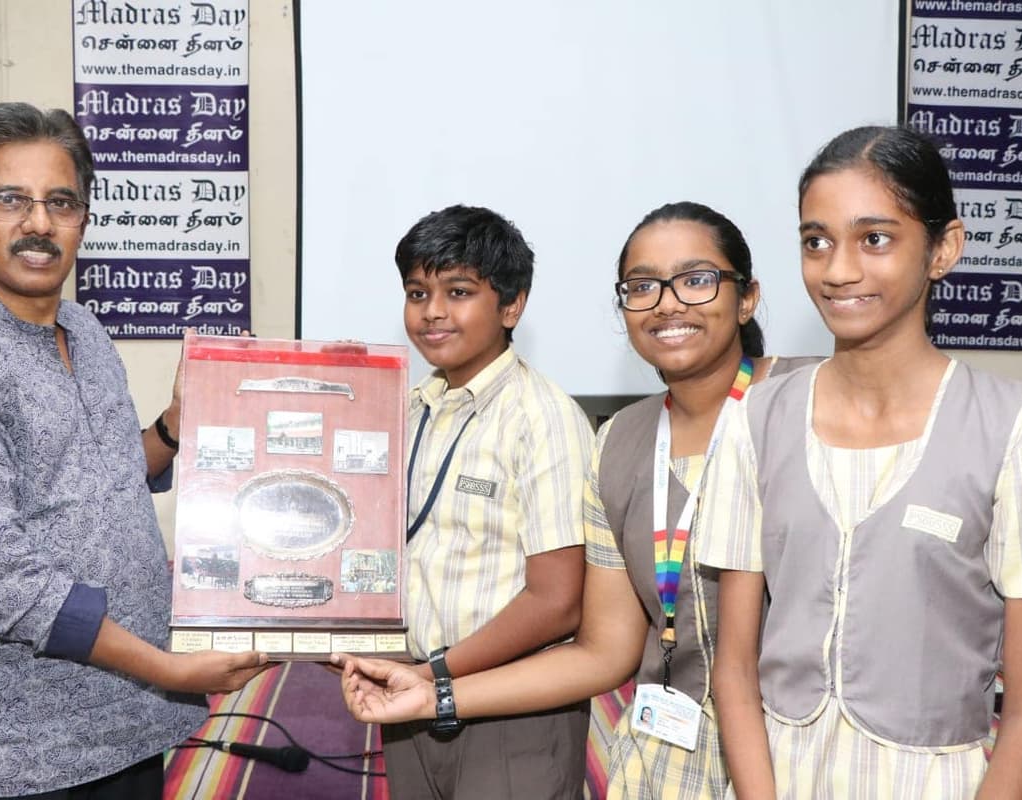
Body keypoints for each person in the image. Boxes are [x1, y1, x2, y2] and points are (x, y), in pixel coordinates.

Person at [335, 201, 816, 799]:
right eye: (643, 286)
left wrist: (435, 674)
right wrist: (432, 691)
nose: (667, 302)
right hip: (667, 757)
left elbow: (555, 601)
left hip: (804, 749)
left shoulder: (811, 405)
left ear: (746, 297)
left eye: (695, 281)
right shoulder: (622, 441)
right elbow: (603, 650)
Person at [0, 102, 270, 799]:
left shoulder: (84, 330)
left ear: (83, 219)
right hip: (11, 756)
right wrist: (167, 668)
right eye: (10, 199)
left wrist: (175, 427)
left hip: (124, 726)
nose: (39, 222)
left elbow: (104, 478)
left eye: (61, 202)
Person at [701, 125, 1022, 799]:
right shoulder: (752, 419)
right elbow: (733, 671)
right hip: (777, 777)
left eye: (874, 239)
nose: (838, 269)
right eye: (816, 240)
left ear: (944, 248)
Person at [373, 204, 594, 799]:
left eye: (459, 291)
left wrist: (437, 674)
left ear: (512, 304)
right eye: (417, 293)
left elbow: (558, 601)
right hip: (414, 690)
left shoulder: (543, 419)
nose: (433, 312)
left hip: (512, 708)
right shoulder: (404, 408)